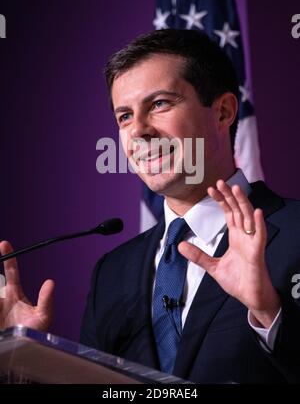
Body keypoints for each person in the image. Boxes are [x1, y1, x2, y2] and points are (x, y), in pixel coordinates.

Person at [1, 29, 300, 383]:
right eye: (124, 116)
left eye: (159, 104)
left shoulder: (295, 233)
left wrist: (269, 312)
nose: (138, 131)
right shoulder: (112, 273)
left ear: (222, 112)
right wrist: (22, 360)